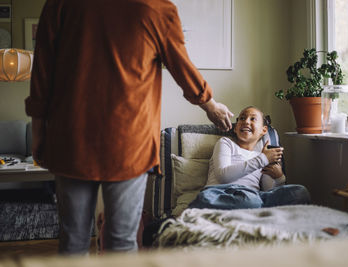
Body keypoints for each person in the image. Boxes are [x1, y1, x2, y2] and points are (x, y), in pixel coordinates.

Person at [25, 0, 233, 255]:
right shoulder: (156, 7)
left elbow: (42, 70)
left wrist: (38, 128)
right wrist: (209, 104)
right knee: (121, 242)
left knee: (73, 239)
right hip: (129, 141)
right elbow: (181, 65)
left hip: (72, 137)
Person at [189, 106, 310, 210]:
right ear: (235, 128)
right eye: (242, 118)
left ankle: (255, 210)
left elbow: (268, 190)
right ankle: (256, 211)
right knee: (250, 201)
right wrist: (263, 159)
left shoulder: (263, 156)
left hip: (253, 197)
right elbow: (223, 176)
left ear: (264, 130)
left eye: (253, 119)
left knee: (300, 192)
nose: (246, 121)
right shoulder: (226, 143)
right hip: (219, 194)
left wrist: (279, 178)